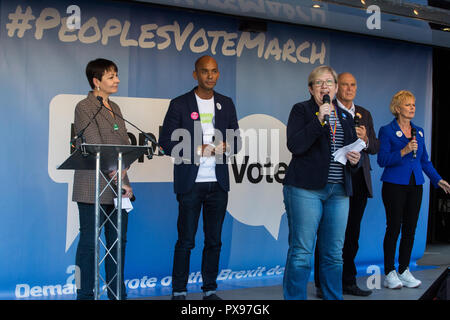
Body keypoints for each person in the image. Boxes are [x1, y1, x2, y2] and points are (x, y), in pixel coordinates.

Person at [159, 55, 240, 300]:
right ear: (195, 74)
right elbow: (165, 143)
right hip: (190, 183)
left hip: (218, 183)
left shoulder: (226, 103)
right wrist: (197, 149)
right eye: (205, 71)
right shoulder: (180, 104)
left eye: (214, 71)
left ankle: (210, 289)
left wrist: (229, 144)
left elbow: (237, 140)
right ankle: (179, 290)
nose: (210, 76)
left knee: (214, 241)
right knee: (186, 241)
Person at [282, 65, 361, 300]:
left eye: (329, 82)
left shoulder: (346, 118)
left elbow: (349, 154)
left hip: (338, 192)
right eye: (319, 82)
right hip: (305, 190)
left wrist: (354, 160)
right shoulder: (301, 111)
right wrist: (319, 119)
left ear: (336, 88)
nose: (324, 86)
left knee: (334, 254)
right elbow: (296, 146)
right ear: (311, 88)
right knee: (302, 253)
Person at [72, 58, 133, 300]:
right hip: (92, 185)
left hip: (120, 185)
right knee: (89, 243)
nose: (117, 80)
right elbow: (95, 143)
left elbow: (125, 145)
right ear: (96, 82)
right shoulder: (84, 106)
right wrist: (116, 174)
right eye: (111, 76)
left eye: (116, 75)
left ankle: (117, 293)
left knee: (118, 243)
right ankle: (84, 294)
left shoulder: (116, 107)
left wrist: (123, 177)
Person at [314, 72, 379, 297]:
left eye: (353, 85)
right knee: (328, 235)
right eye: (344, 85)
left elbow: (375, 147)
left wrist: (366, 139)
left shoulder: (365, 114)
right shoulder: (327, 109)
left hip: (359, 179)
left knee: (352, 235)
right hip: (335, 179)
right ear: (336, 87)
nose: (349, 89)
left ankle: (348, 281)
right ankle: (323, 284)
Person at [377, 90, 450, 289]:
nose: (412, 108)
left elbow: (425, 161)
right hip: (394, 185)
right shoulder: (387, 130)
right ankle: (390, 272)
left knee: (410, 229)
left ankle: (404, 269)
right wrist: (404, 150)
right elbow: (382, 160)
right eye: (408, 105)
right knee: (394, 228)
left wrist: (438, 179)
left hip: (415, 185)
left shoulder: (419, 131)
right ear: (397, 108)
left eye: (414, 105)